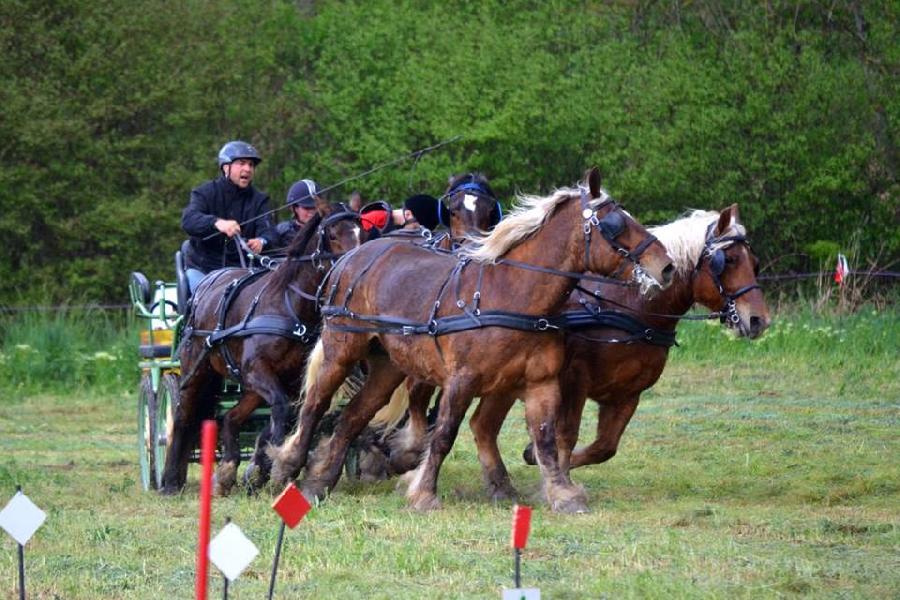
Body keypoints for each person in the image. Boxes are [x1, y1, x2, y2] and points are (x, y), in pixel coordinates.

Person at [182, 141, 277, 291]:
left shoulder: (260, 200)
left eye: (251, 165)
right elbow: (189, 220)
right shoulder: (204, 192)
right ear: (226, 167)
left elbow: (270, 231)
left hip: (244, 273)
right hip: (203, 269)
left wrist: (261, 241)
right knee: (205, 303)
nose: (248, 169)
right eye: (242, 163)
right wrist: (217, 223)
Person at [359, 194, 441, 237]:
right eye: (416, 228)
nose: (415, 232)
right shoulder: (375, 218)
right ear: (408, 215)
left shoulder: (394, 226)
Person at [274, 179, 322, 249]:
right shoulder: (281, 232)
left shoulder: (327, 231)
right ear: (294, 208)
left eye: (315, 207)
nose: (312, 212)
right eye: (307, 208)